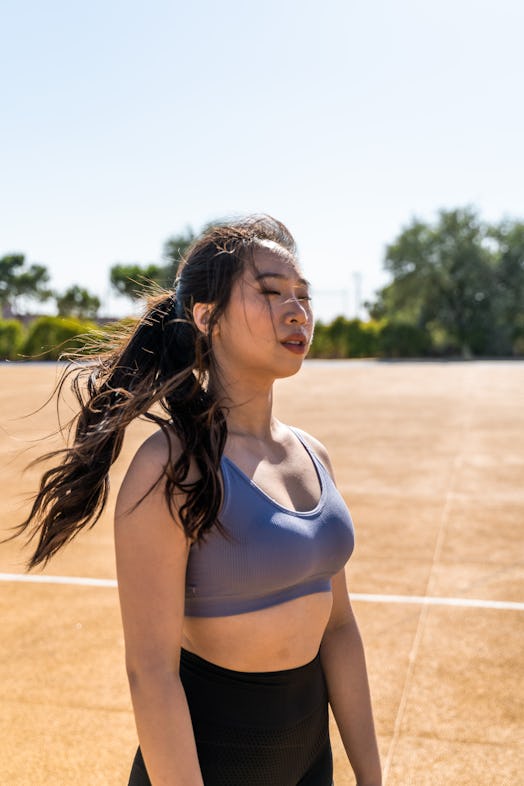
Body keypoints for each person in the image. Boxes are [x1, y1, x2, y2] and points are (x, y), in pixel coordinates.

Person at [16, 215, 382, 785]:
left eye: (303, 296)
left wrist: (371, 775)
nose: (296, 311)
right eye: (270, 292)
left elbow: (338, 629)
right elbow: (152, 674)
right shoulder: (171, 468)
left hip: (311, 761)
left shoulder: (313, 455)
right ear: (207, 317)